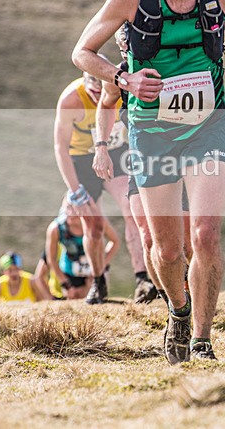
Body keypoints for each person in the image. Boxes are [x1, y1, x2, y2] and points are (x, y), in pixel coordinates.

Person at [72, 0, 225, 363]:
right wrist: (124, 79)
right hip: (151, 130)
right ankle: (179, 310)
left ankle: (204, 340)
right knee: (166, 249)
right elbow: (82, 52)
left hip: (208, 123)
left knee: (205, 234)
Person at [93, 24, 192, 305]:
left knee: (186, 241)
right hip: (141, 161)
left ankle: (189, 286)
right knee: (147, 236)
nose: (128, 49)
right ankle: (170, 300)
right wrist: (101, 147)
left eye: (132, 42)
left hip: (178, 159)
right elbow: (105, 106)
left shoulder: (168, 66)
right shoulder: (118, 76)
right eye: (123, 45)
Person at [54, 66, 147, 304]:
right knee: (93, 227)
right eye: (93, 93)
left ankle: (142, 278)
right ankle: (98, 282)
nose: (98, 98)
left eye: (101, 92)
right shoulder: (71, 100)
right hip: (83, 162)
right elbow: (60, 148)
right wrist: (75, 191)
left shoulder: (119, 88)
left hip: (115, 153)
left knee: (132, 211)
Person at [35, 200, 121, 300]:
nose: (70, 213)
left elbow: (115, 241)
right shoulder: (56, 229)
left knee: (97, 300)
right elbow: (51, 260)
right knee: (75, 299)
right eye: (67, 208)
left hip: (95, 270)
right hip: (70, 273)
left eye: (75, 209)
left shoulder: (97, 222)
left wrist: (100, 268)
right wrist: (66, 284)